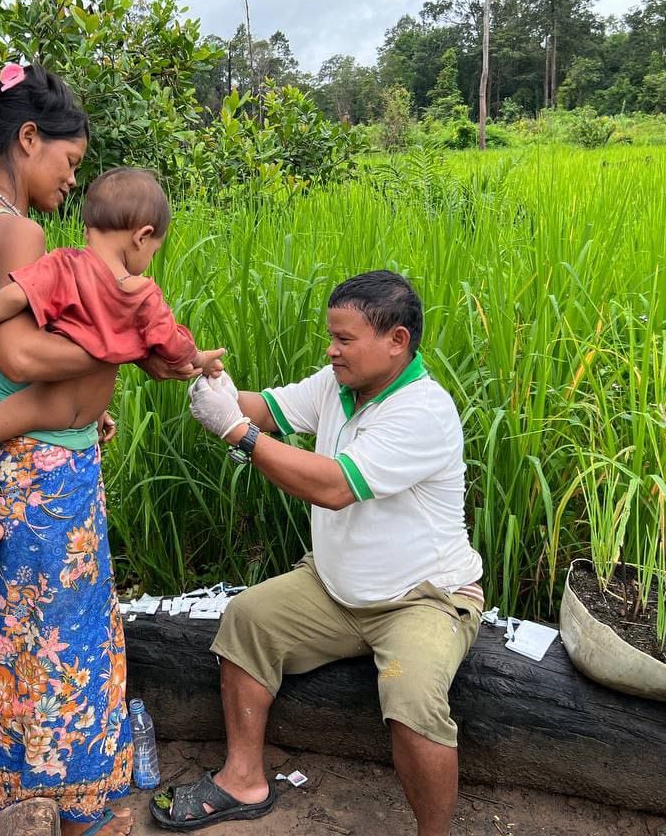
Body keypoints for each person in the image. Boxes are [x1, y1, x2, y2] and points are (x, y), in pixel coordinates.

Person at [0, 63, 199, 836]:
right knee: (66, 638)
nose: (70, 180)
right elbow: (22, 358)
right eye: (69, 161)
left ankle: (14, 789)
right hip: (47, 471)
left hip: (21, 457)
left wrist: (71, 403)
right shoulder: (22, 231)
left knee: (18, 636)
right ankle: (80, 810)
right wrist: (120, 348)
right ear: (29, 140)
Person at [152, 271, 484, 836]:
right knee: (248, 620)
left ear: (397, 342)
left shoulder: (424, 412)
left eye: (345, 340)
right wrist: (223, 392)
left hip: (422, 598)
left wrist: (237, 434)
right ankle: (244, 779)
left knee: (409, 695)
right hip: (334, 587)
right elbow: (269, 410)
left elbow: (333, 486)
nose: (331, 350)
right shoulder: (341, 385)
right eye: (332, 337)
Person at [0, 166, 223, 566]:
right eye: (154, 250)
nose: (149, 259)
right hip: (76, 415)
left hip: (51, 402)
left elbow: (14, 295)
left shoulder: (63, 266)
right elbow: (171, 344)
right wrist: (198, 361)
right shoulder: (140, 292)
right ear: (142, 235)